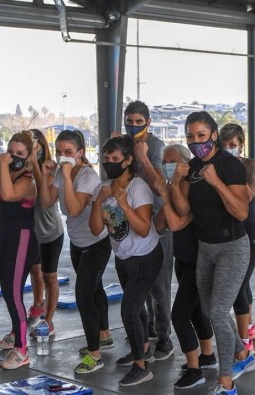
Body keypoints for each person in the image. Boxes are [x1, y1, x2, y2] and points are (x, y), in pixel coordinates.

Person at [170, 111, 255, 395]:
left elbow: (241, 212)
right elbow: (184, 209)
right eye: (190, 137)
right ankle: (242, 354)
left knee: (218, 313)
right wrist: (176, 182)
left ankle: (226, 382)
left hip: (232, 247)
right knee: (210, 310)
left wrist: (217, 182)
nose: (196, 142)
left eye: (201, 136)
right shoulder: (194, 167)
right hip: (205, 248)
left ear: (214, 135)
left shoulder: (229, 165)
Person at [34, 130, 113, 374]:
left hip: (96, 243)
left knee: (84, 296)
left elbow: (74, 209)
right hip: (78, 243)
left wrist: (67, 177)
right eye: (59, 152)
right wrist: (45, 175)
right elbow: (46, 201)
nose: (62, 156)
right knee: (95, 289)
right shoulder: (60, 172)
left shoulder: (87, 176)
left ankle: (95, 355)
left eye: (68, 152)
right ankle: (104, 335)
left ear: (80, 152)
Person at [90, 136, 164, 387]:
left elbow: (143, 229)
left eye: (115, 158)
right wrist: (98, 201)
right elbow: (95, 229)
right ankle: (143, 350)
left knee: (129, 311)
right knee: (137, 307)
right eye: (106, 158)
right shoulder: (103, 187)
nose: (109, 162)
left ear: (128, 160)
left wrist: (123, 204)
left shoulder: (137, 187)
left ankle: (141, 367)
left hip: (146, 257)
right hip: (123, 257)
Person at [154, 144, 217, 389]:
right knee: (195, 310)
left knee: (179, 316)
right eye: (164, 162)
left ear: (185, 163)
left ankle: (194, 369)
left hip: (199, 261)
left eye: (172, 161)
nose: (167, 166)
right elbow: (160, 224)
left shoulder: (193, 186)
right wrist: (166, 192)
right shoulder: (174, 186)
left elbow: (178, 222)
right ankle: (207, 356)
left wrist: (167, 194)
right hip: (183, 259)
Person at [0, 131, 39, 370]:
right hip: (7, 241)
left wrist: (4, 167)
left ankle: (22, 350)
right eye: (10, 152)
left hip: (22, 241)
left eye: (19, 154)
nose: (13, 157)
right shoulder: (6, 172)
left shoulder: (27, 181)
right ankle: (15, 334)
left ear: (28, 156)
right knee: (7, 290)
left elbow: (7, 194)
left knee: (14, 294)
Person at [126, 101, 175, 360]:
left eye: (138, 121)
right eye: (130, 121)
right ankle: (148, 327)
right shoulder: (124, 143)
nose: (133, 126)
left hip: (157, 220)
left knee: (159, 283)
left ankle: (165, 336)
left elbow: (158, 183)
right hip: (134, 219)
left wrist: (142, 156)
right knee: (139, 279)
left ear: (148, 122)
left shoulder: (155, 146)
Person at [219, 124, 255, 355]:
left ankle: (244, 341)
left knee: (238, 285)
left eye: (233, 145)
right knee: (243, 283)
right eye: (224, 145)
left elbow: (247, 195)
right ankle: (249, 327)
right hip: (232, 233)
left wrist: (230, 172)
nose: (229, 149)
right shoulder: (217, 166)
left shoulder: (249, 165)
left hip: (250, 233)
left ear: (241, 145)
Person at [24, 129, 64, 338]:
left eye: (36, 146)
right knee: (34, 270)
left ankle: (48, 321)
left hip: (50, 231)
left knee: (50, 276)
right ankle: (38, 304)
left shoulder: (52, 168)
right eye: (29, 147)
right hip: (31, 230)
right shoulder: (21, 167)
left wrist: (39, 169)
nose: (33, 150)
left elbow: (43, 197)